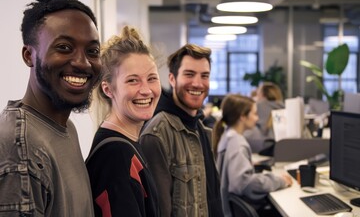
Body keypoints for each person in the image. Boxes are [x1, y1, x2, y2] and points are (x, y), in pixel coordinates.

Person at [0, 0, 101, 216]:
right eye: (64, 47)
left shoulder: (66, 128)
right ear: (29, 55)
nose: (82, 62)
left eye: (92, 51)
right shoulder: (21, 148)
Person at [139, 44, 223, 216]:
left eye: (204, 76)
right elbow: (159, 211)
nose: (198, 83)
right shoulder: (157, 134)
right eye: (189, 74)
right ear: (172, 78)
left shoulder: (199, 127)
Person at [86, 26, 161, 217]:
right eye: (133, 81)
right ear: (108, 89)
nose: (146, 90)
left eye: (152, 78)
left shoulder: (128, 143)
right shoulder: (115, 155)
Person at [213, 94, 292, 217]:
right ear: (242, 117)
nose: (257, 118)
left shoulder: (228, 136)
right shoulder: (238, 144)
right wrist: (279, 181)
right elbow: (245, 184)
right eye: (255, 114)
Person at [244, 82, 284, 154]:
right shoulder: (284, 107)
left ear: (262, 95)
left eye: (257, 93)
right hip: (280, 147)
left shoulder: (258, 105)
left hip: (263, 146)